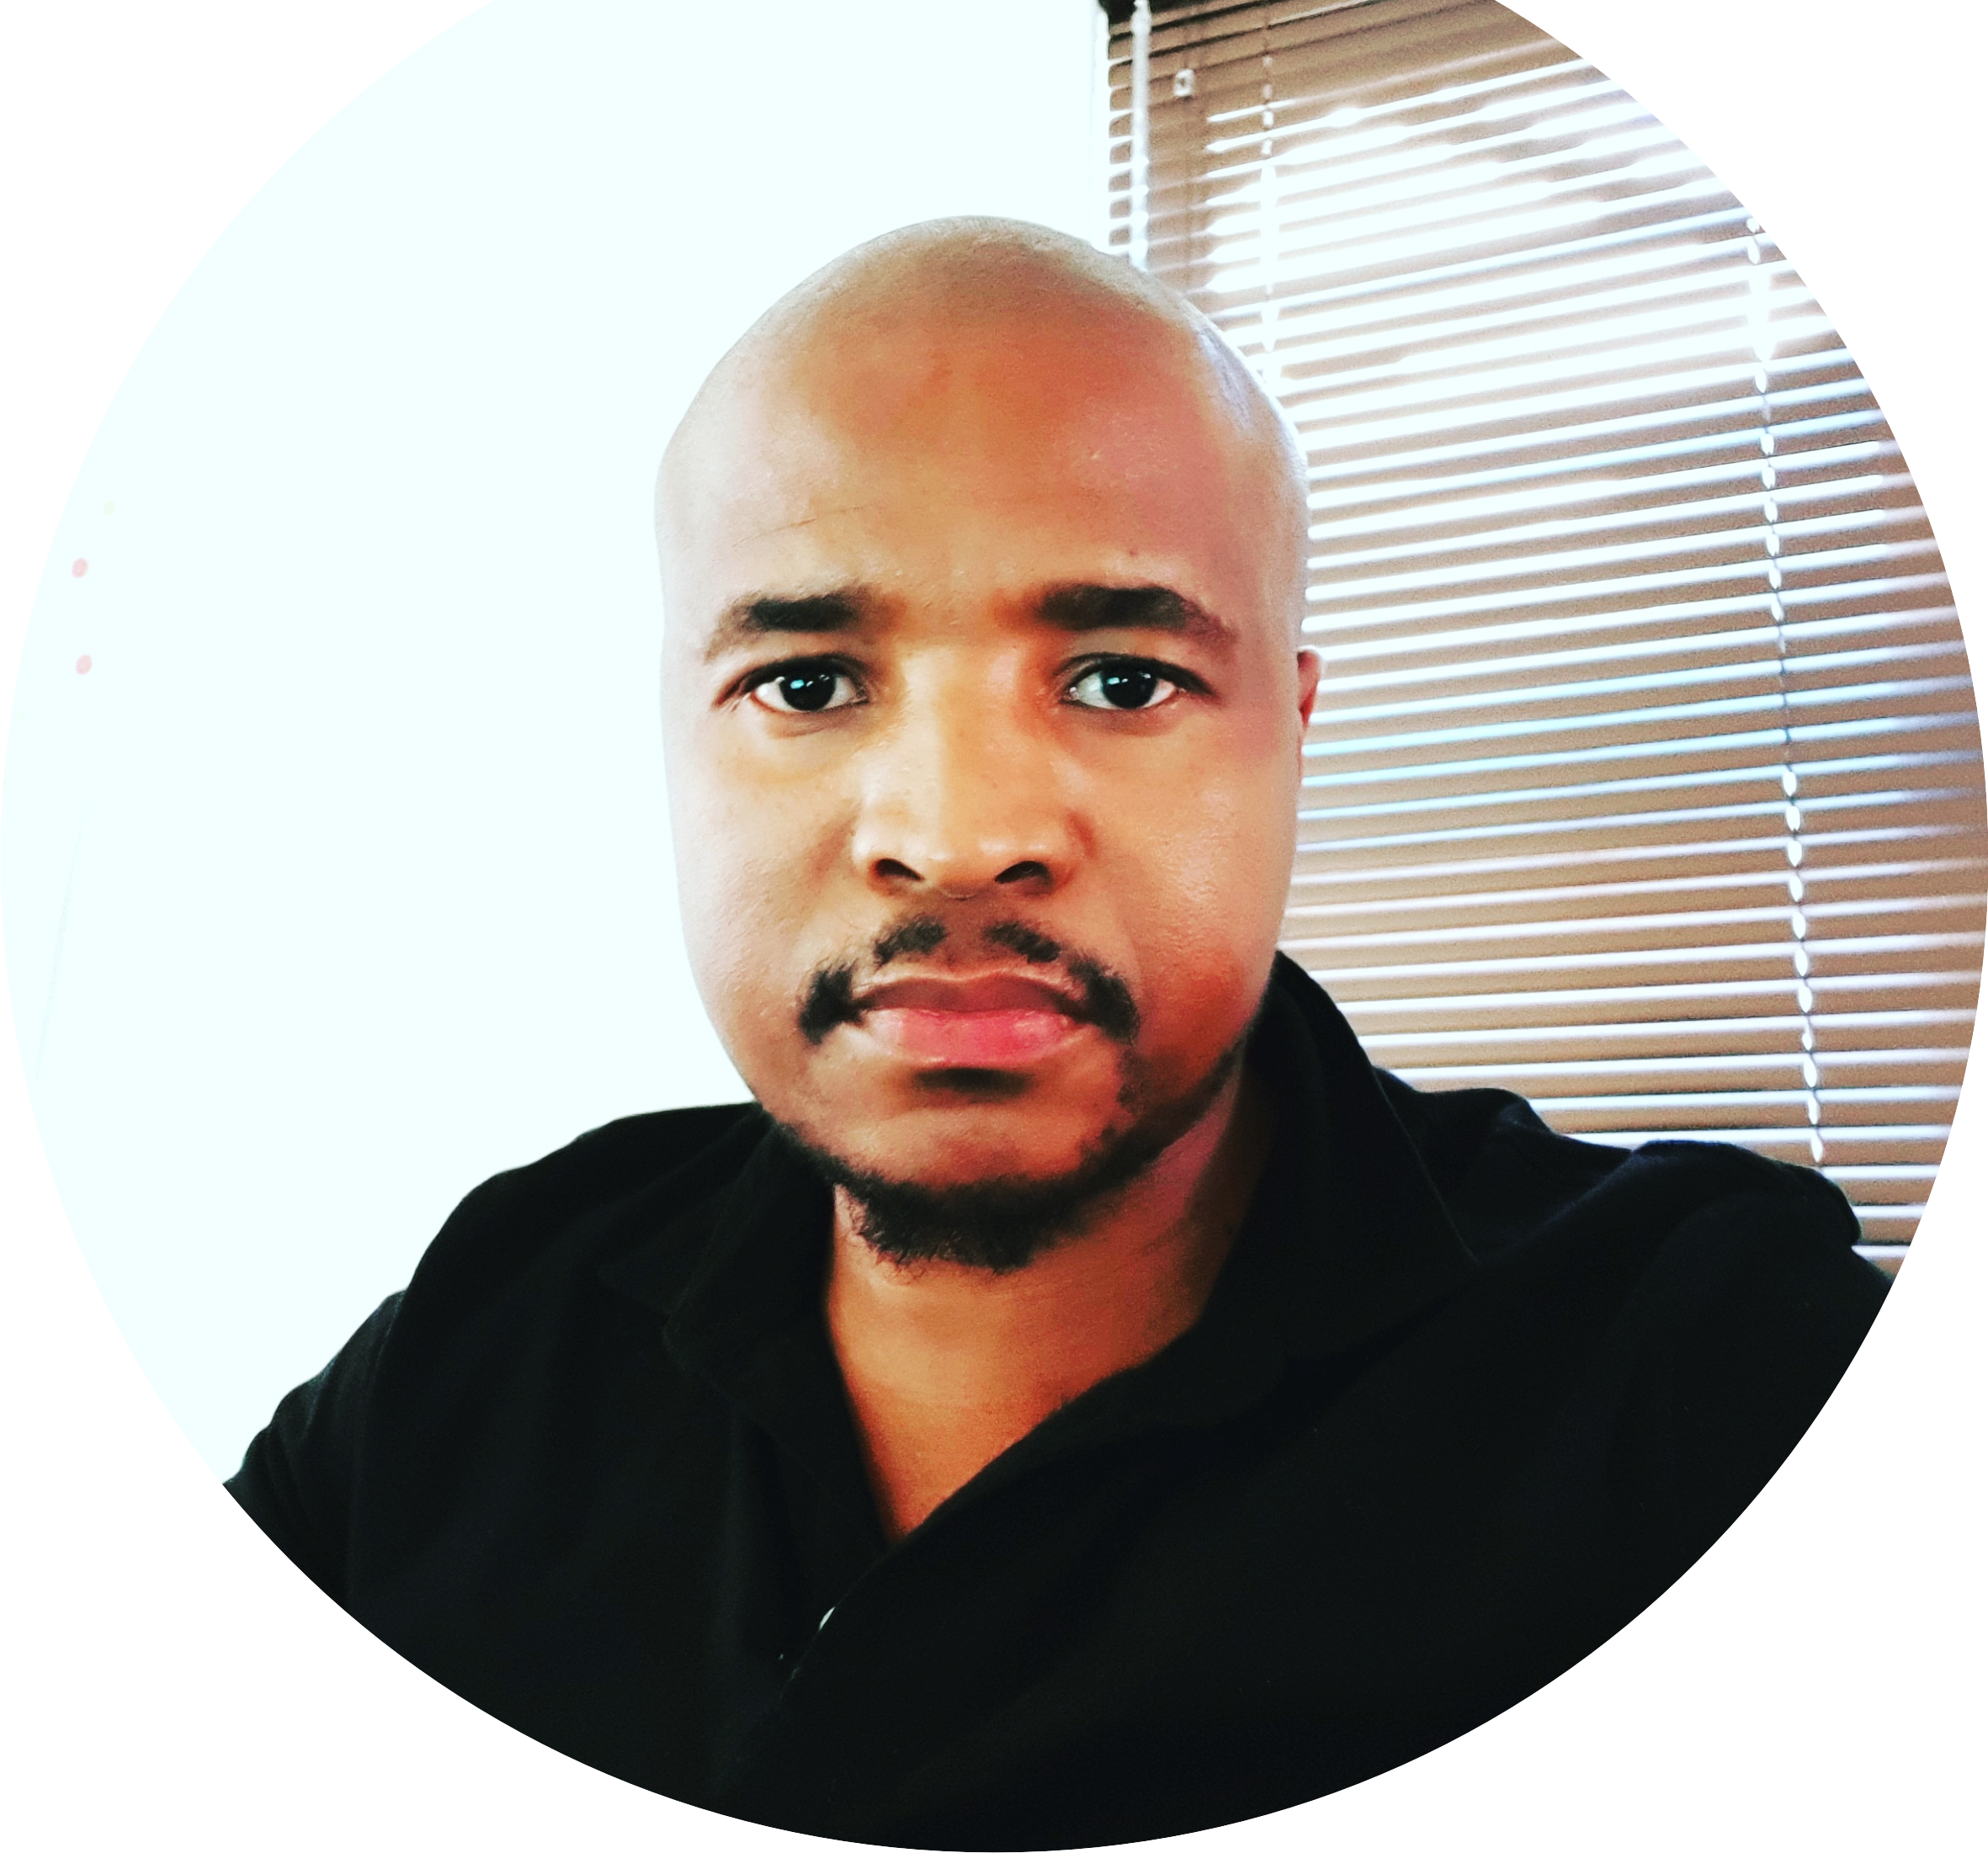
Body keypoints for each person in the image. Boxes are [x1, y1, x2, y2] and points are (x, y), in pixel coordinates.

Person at [227, 218, 1887, 1849]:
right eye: (806, 684)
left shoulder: (1709, 1379)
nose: (956, 838)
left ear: (1291, 736)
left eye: (1118, 678)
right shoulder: (484, 1333)